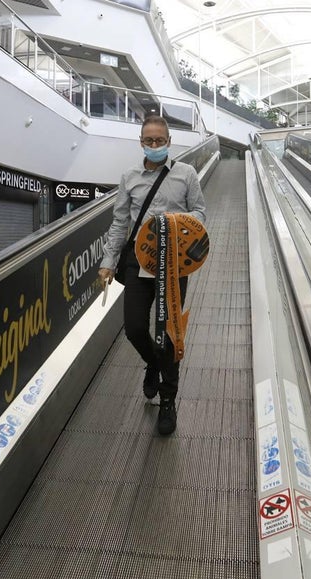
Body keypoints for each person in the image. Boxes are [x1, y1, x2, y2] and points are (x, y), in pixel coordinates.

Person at [98, 115, 206, 436]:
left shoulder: (186, 174)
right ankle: (154, 364)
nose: (155, 145)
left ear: (169, 142)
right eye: (150, 141)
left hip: (173, 264)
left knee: (171, 333)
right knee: (133, 327)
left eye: (161, 140)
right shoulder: (129, 177)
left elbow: (200, 212)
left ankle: (168, 400)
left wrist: (175, 221)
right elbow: (120, 223)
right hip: (138, 261)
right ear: (141, 142)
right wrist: (108, 260)